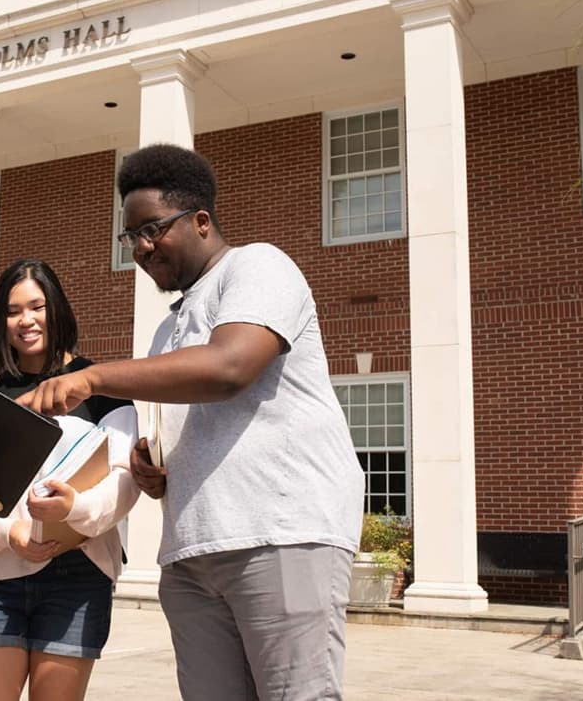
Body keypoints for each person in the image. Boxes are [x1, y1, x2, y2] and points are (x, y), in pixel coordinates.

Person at [19, 143, 366, 701]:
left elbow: (231, 367)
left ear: (201, 221)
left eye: (152, 228)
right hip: (192, 553)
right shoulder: (166, 332)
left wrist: (93, 377)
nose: (142, 247)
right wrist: (156, 469)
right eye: (131, 236)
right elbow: (188, 426)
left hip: (279, 534)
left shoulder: (258, 265)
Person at [0, 259, 140, 701]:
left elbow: (125, 483)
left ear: (57, 310)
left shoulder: (101, 390)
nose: (25, 320)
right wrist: (6, 532)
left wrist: (74, 510)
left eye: (37, 306)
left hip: (78, 576)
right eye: (13, 311)